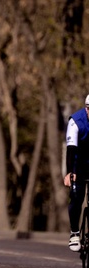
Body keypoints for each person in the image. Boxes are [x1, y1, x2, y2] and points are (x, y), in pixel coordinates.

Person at [64, 94, 89, 252]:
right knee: (76, 196)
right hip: (78, 163)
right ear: (87, 109)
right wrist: (69, 173)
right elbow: (71, 149)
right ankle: (74, 233)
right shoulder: (76, 121)